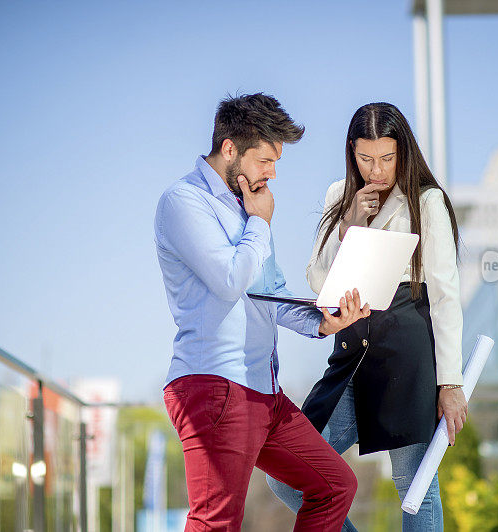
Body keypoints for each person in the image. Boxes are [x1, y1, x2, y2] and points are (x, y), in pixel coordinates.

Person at [155, 93, 371, 531]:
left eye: (276, 162)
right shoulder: (184, 202)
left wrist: (322, 321)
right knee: (216, 522)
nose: (272, 173)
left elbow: (269, 293)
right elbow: (230, 279)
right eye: (265, 160)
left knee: (334, 486)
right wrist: (260, 224)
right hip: (213, 386)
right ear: (230, 148)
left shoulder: (249, 206)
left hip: (264, 392)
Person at [267, 102, 467, 532]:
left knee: (415, 490)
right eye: (366, 158)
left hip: (407, 356)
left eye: (387, 158)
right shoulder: (339, 196)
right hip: (350, 355)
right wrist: (349, 224)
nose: (377, 170)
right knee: (286, 475)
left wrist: (450, 383)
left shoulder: (426, 201)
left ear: (404, 153)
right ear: (352, 153)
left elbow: (446, 297)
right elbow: (320, 282)